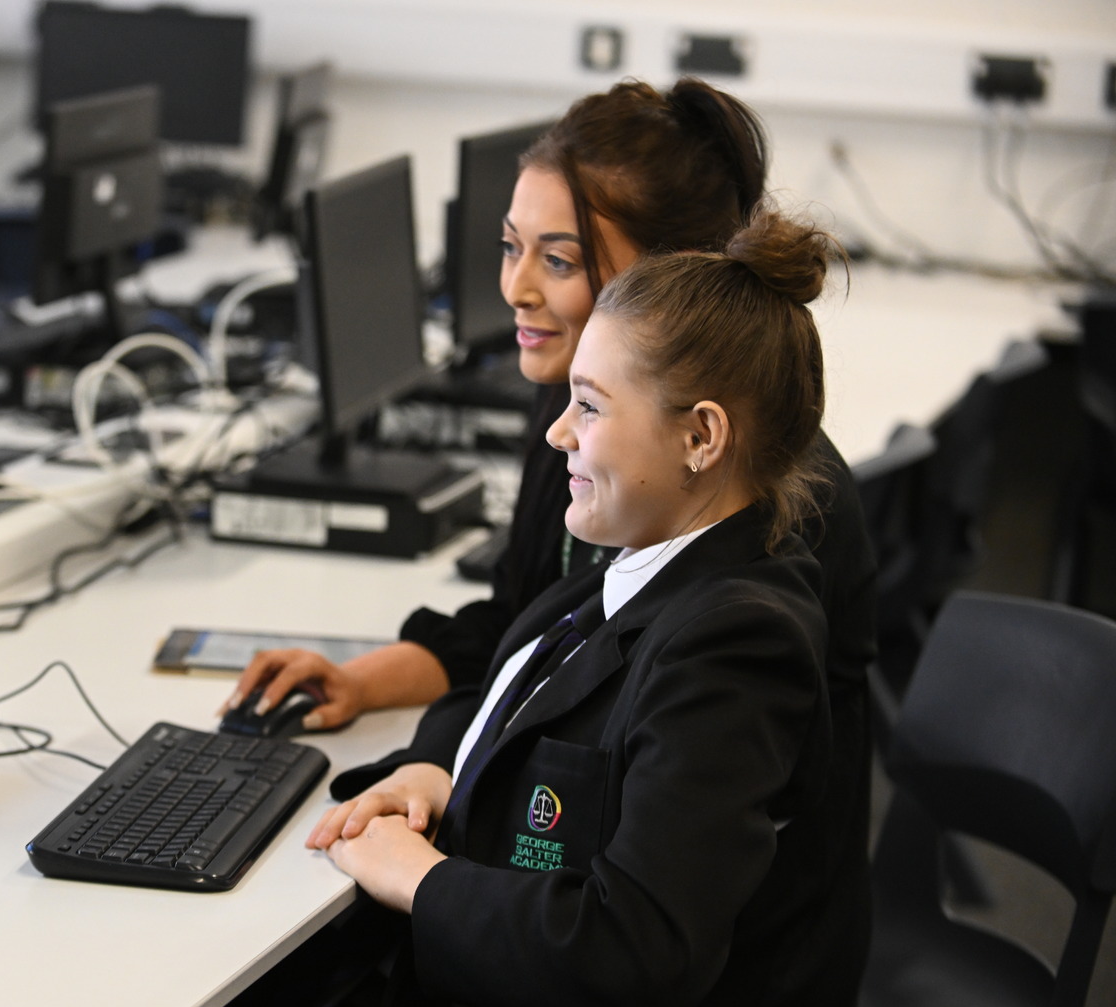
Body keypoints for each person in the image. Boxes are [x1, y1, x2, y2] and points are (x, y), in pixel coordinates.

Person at [303, 209, 870, 1007]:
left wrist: (419, 882)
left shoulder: (736, 645)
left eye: (589, 407)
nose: (556, 432)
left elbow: (635, 951)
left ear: (701, 436)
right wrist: (440, 773)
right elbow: (524, 693)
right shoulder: (642, 561)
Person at [221, 78, 872, 741]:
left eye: (558, 261)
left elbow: (612, 727)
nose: (515, 288)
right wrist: (359, 681)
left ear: (672, 276)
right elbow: (523, 625)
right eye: (510, 247)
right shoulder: (569, 407)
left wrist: (434, 781)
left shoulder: (747, 488)